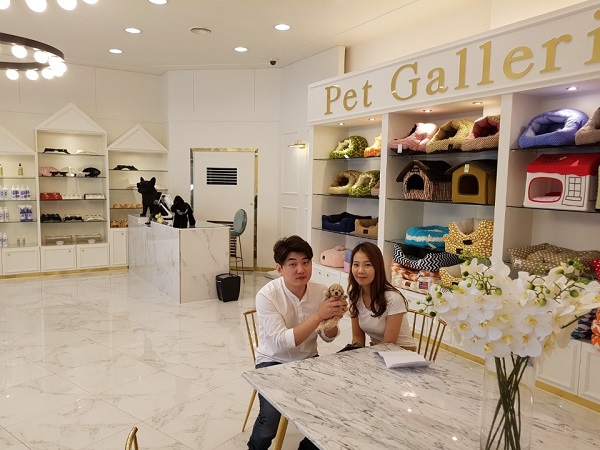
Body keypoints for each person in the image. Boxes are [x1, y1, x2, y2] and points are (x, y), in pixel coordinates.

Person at [248, 235, 347, 450]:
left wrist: (333, 319)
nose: (301, 269)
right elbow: (282, 342)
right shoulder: (267, 295)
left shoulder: (321, 291)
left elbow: (328, 337)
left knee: (327, 416)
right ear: (279, 268)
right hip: (272, 361)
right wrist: (318, 315)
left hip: (309, 360)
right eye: (293, 264)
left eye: (306, 262)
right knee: (269, 424)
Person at [347, 242, 415, 349]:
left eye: (367, 265)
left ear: (377, 268)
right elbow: (357, 337)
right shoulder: (354, 295)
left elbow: (389, 343)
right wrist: (354, 352)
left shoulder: (393, 298)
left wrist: (364, 353)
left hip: (401, 351)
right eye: (356, 265)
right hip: (376, 349)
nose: (360, 271)